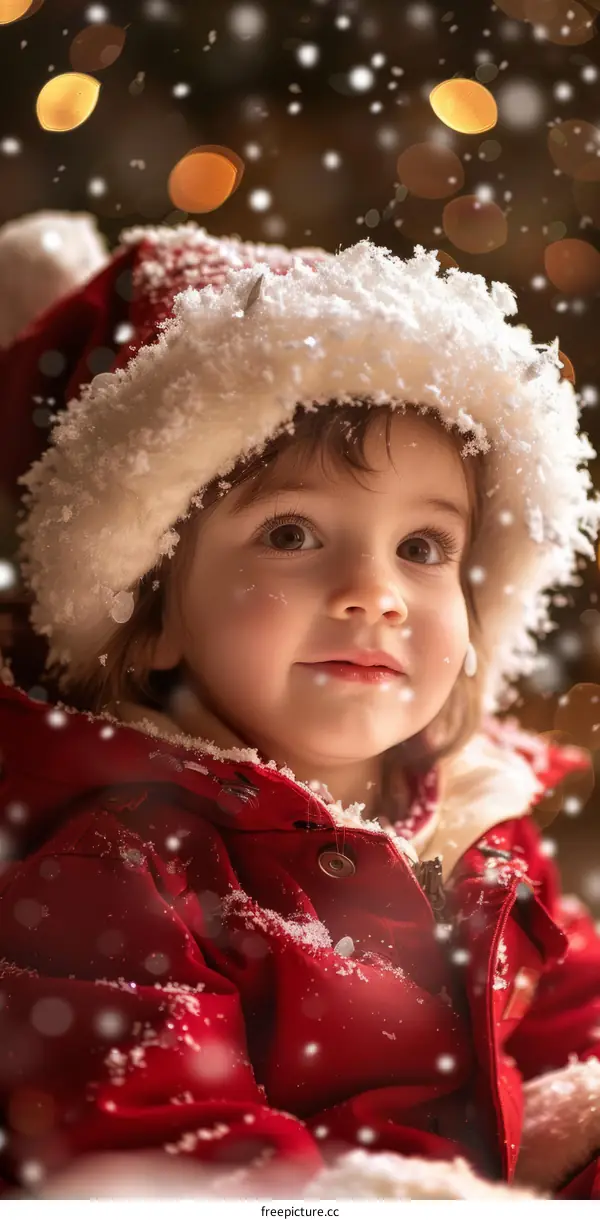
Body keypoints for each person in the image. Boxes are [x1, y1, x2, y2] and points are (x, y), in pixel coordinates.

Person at [0, 212, 599, 1200]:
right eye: (291, 531)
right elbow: (166, 1159)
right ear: (151, 611)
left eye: (422, 546)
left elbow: (578, 1040)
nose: (376, 589)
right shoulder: (122, 876)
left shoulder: (482, 838)